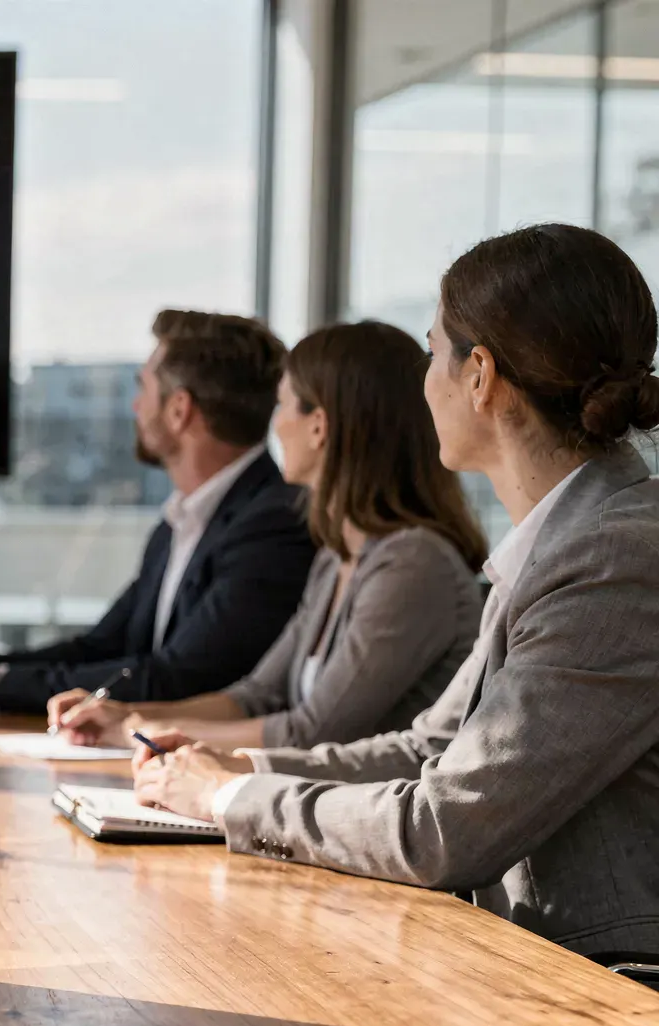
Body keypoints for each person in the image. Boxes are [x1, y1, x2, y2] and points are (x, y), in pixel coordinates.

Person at [133, 223, 659, 964]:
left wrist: (227, 802)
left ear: (478, 375)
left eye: (431, 350)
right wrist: (235, 773)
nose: (424, 379)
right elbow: (431, 748)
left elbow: (444, 828)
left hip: (605, 992)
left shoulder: (616, 559)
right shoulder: (568, 540)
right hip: (526, 966)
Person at [53, 322, 487, 750]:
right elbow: (255, 696)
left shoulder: (411, 565)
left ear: (319, 426)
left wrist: (136, 733)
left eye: (282, 407)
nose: (274, 428)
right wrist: (131, 717)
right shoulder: (336, 561)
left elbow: (311, 733)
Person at [0, 311, 314, 712]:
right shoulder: (181, 521)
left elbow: (177, 679)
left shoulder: (274, 524)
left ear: (179, 410)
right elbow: (102, 647)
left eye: (143, 388)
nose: (136, 405)